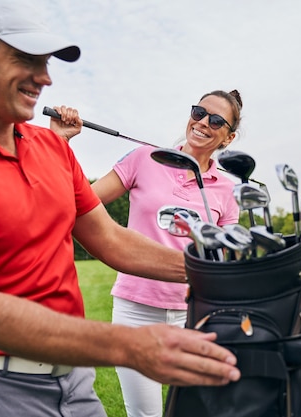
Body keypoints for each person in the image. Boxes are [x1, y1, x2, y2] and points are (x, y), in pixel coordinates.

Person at [0, 1, 240, 416]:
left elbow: (111, 241)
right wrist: (129, 345)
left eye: (46, 63)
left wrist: (219, 272)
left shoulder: (52, 150)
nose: (45, 78)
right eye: (27, 59)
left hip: (73, 383)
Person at [52, 90, 243, 417]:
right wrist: (60, 144)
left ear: (228, 137)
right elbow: (81, 203)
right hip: (135, 310)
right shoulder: (144, 158)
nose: (202, 123)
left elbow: (225, 257)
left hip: (195, 313)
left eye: (215, 121)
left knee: (199, 410)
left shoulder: (227, 189)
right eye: (199, 112)